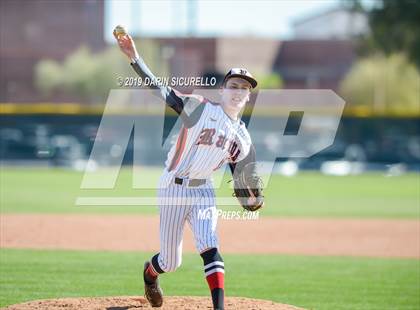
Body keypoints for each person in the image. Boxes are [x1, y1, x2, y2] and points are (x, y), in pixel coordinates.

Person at [114, 30, 260, 310]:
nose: (238, 91)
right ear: (223, 90)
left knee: (209, 244)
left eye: (244, 87)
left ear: (249, 96)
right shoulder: (200, 109)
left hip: (204, 188)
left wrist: (250, 195)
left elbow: (239, 171)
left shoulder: (243, 137)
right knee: (171, 261)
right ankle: (150, 273)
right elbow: (162, 91)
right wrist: (136, 59)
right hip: (172, 187)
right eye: (234, 85)